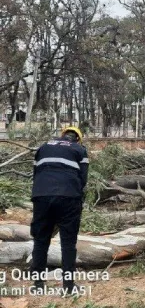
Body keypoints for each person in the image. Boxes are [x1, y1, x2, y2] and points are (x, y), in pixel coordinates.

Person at [29, 126, 89, 295]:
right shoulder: (79, 149)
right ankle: (68, 286)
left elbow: (36, 173)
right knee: (68, 242)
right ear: (77, 138)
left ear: (62, 136)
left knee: (41, 240)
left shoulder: (43, 147)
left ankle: (38, 285)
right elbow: (83, 179)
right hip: (68, 197)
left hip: (41, 195)